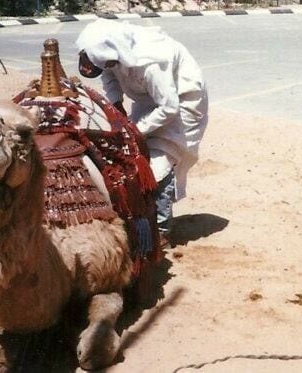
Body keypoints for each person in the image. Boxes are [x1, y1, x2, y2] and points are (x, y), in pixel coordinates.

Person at [75, 20, 208, 246]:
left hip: (181, 103)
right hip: (149, 101)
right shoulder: (112, 52)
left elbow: (169, 107)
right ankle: (140, 215)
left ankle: (162, 228)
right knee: (133, 155)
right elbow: (108, 75)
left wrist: (135, 130)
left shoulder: (153, 62)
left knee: (159, 164)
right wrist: (116, 107)